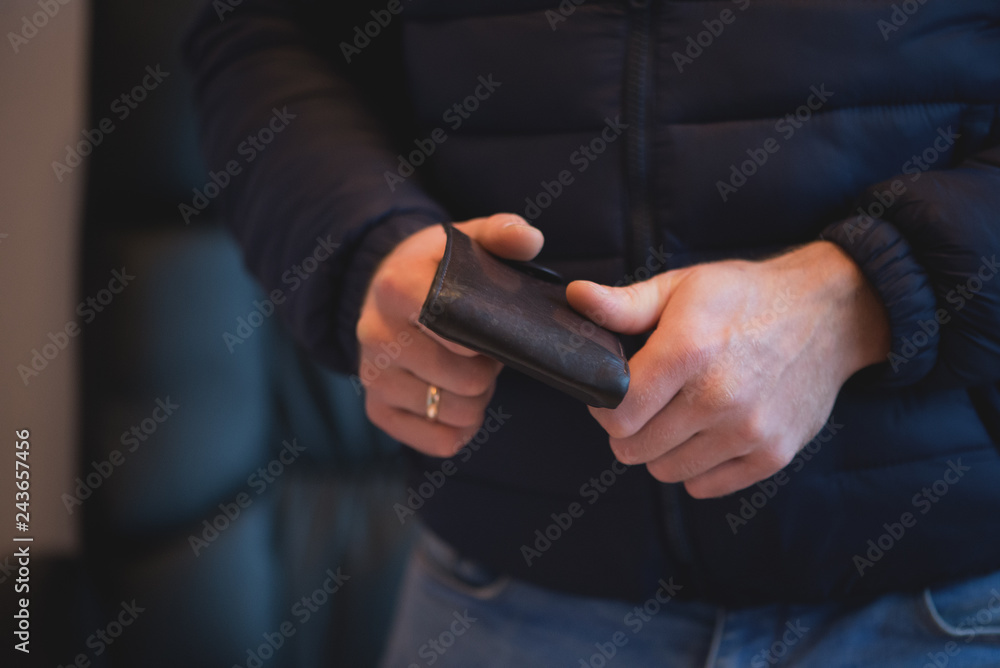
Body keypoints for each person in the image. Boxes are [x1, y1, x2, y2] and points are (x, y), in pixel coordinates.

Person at [185, 1, 1000, 665]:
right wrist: (366, 241)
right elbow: (261, 30)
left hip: (944, 604)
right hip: (507, 601)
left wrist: (865, 295)